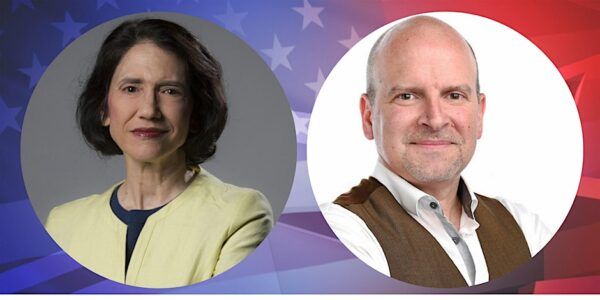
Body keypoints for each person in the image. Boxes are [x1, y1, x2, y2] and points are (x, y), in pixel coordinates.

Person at [321, 16, 551, 288]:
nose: (435, 119)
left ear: (479, 115)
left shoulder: (524, 228)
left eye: (454, 95)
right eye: (407, 96)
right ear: (369, 116)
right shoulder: (339, 234)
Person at [45, 18, 273, 288]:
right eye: (131, 88)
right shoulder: (62, 225)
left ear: (196, 112)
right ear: (103, 109)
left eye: (169, 91)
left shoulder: (240, 216)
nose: (149, 110)